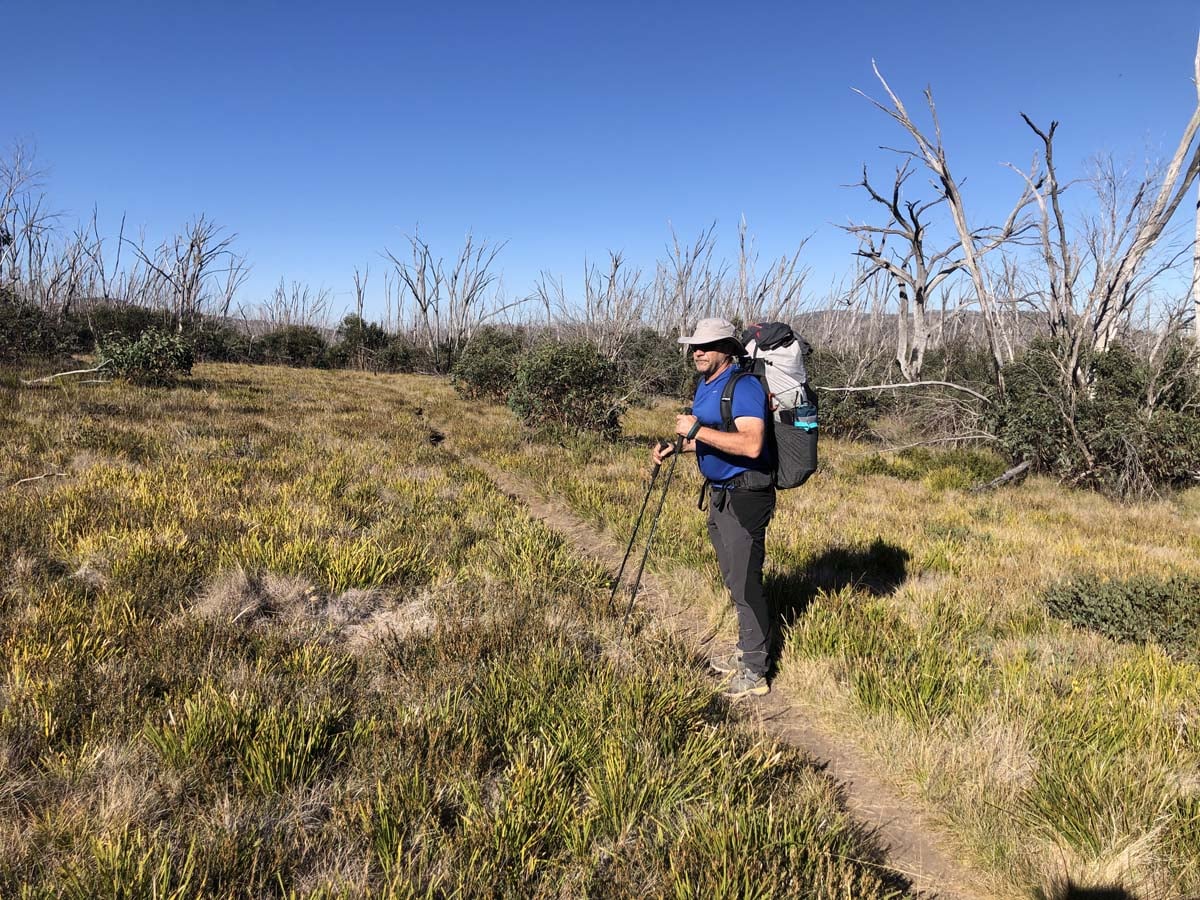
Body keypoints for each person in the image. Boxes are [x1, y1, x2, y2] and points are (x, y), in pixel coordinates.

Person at [653, 317, 775, 698]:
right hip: (720, 493)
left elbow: (752, 445)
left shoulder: (745, 386)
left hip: (746, 494)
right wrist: (680, 447)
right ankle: (746, 650)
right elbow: (716, 436)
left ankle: (756, 672)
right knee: (733, 578)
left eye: (706, 346)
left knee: (744, 581)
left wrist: (694, 432)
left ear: (728, 348)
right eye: (694, 346)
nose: (697, 352)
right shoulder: (706, 385)